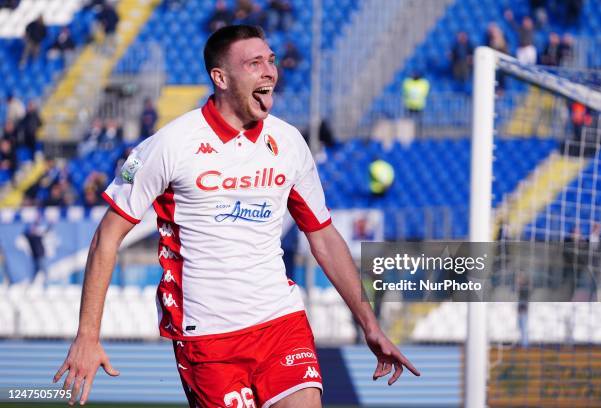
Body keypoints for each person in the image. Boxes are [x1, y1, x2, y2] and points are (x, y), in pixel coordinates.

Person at [53, 25, 419, 407]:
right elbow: (106, 238)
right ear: (221, 78)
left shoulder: (289, 143)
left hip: (281, 322)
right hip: (208, 337)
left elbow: (323, 236)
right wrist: (87, 336)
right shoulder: (171, 145)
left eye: (271, 61)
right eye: (254, 63)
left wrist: (369, 323)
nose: (269, 72)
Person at [401, 72, 429, 137]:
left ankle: (420, 135)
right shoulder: (408, 83)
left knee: (419, 123)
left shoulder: (423, 83)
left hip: (419, 106)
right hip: (409, 105)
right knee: (408, 122)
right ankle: (408, 135)